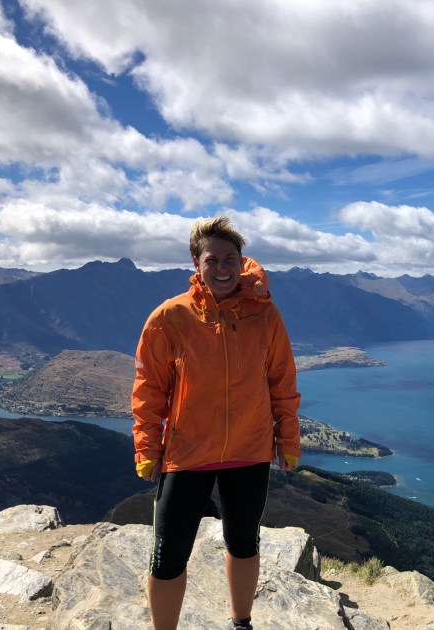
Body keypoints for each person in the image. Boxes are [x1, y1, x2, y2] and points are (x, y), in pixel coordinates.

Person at [132, 216, 301, 630]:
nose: (223, 268)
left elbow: (282, 382)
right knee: (168, 556)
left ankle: (241, 623)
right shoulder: (170, 317)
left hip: (250, 449)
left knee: (243, 543)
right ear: (197, 262)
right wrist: (147, 448)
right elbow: (149, 389)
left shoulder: (265, 315)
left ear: (242, 261)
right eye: (213, 260)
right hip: (187, 454)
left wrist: (288, 439)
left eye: (230, 259)